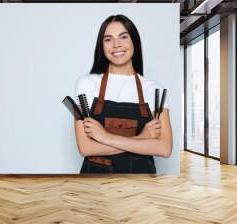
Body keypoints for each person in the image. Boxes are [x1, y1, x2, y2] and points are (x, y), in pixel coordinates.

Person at [74, 14, 173, 174]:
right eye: (108, 39)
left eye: (123, 37)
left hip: (141, 186)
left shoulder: (154, 90)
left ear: (134, 41)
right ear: (102, 45)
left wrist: (104, 137)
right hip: (96, 185)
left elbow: (164, 148)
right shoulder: (86, 84)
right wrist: (142, 138)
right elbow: (86, 148)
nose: (116, 45)